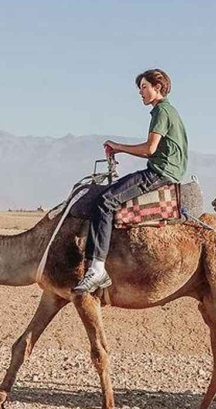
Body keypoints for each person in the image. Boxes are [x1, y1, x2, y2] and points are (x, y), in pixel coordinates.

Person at [74, 68, 187, 295]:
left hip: (160, 172)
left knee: (105, 201)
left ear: (158, 87)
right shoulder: (167, 111)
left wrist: (118, 147)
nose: (140, 92)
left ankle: (97, 268)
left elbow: (150, 149)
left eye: (144, 87)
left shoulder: (161, 112)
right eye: (140, 88)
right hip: (166, 170)